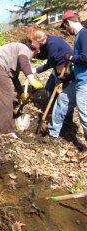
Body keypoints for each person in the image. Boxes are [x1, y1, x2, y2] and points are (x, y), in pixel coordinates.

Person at [0, 38, 44, 139]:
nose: (33, 56)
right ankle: (6, 131)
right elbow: (25, 63)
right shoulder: (24, 48)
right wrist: (32, 80)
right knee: (6, 97)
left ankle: (1, 123)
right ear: (34, 51)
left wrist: (21, 94)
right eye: (35, 54)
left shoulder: (14, 51)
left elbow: (14, 77)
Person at [48, 10, 87, 140]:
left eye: (64, 26)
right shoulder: (78, 37)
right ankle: (53, 133)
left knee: (84, 116)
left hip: (85, 83)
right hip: (78, 80)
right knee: (63, 99)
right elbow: (80, 65)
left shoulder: (84, 34)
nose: (65, 29)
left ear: (68, 22)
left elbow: (85, 58)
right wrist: (67, 77)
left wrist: (70, 57)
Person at [32, 30, 73, 99]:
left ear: (45, 38)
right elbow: (45, 55)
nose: (40, 45)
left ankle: (67, 108)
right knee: (49, 87)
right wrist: (33, 55)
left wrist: (36, 70)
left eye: (41, 42)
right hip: (57, 66)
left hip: (66, 66)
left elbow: (50, 63)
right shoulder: (42, 44)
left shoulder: (52, 43)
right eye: (39, 44)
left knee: (66, 90)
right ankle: (55, 105)